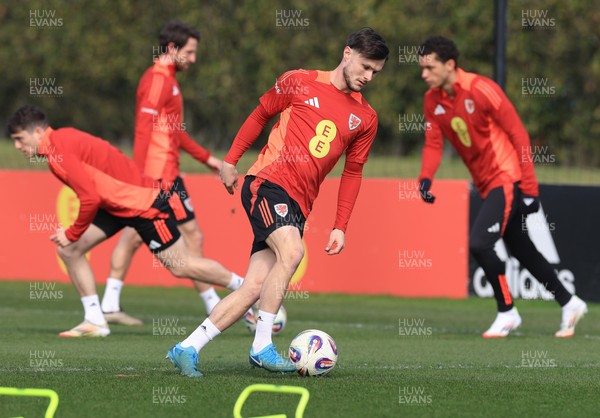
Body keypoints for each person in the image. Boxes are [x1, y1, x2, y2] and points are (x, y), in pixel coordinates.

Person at [166, 27, 389, 377]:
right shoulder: (299, 81)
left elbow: (353, 173)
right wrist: (230, 160)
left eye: (375, 72)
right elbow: (261, 113)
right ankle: (261, 346)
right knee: (293, 252)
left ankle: (187, 347)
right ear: (347, 54)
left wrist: (340, 226)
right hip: (267, 185)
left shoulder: (366, 118)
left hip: (299, 206)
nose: (368, 76)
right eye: (364, 66)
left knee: (254, 287)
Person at [7, 105, 245, 337]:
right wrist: (72, 238)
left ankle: (247, 288)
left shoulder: (57, 150)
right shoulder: (61, 139)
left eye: (19, 138)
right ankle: (95, 321)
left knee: (181, 266)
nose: (17, 146)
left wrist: (71, 232)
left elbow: (89, 198)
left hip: (144, 205)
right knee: (70, 251)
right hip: (116, 205)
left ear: (38, 132)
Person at [416, 35, 587, 338]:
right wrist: (425, 178)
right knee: (523, 251)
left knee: (479, 243)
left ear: (450, 64)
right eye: (422, 68)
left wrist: (531, 188)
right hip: (485, 184)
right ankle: (569, 301)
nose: (424, 74)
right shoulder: (433, 100)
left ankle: (507, 311)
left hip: (506, 179)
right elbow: (432, 143)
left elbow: (519, 134)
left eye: (429, 68)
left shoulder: (482, 90)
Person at [101, 20, 228, 326]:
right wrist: (140, 177)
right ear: (172, 49)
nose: (194, 59)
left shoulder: (168, 79)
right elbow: (143, 129)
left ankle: (108, 304)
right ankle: (219, 304)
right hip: (158, 178)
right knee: (180, 236)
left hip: (169, 175)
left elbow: (175, 133)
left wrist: (208, 159)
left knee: (142, 236)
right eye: (191, 52)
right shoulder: (158, 79)